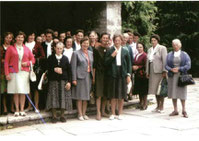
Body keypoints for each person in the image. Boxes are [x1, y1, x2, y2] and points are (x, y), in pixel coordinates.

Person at [4, 31, 35, 116]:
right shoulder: (10, 48)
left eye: (21, 37)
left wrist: (28, 63)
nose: (20, 39)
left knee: (23, 91)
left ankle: (22, 109)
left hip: (24, 73)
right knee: (16, 91)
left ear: (24, 38)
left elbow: (33, 60)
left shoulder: (27, 48)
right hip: (14, 72)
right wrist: (7, 73)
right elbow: (6, 62)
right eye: (18, 37)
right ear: (15, 38)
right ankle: (17, 110)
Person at [105, 34, 131, 120]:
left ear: (121, 41)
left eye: (119, 40)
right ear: (113, 41)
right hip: (112, 74)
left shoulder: (125, 51)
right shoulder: (110, 50)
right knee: (113, 95)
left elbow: (129, 64)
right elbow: (106, 63)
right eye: (115, 40)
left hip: (122, 74)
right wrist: (112, 56)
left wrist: (128, 75)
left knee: (121, 95)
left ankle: (120, 113)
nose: (117, 42)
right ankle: (112, 113)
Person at [46, 42, 72, 123]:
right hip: (53, 81)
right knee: (53, 98)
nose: (59, 50)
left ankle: (62, 116)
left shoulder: (65, 58)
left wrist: (69, 82)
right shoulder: (50, 58)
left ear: (63, 49)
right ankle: (54, 116)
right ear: (55, 48)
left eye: (61, 48)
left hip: (63, 81)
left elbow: (69, 71)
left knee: (63, 98)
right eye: (57, 48)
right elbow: (47, 69)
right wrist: (53, 69)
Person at [165, 39, 191, 118]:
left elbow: (188, 65)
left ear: (180, 45)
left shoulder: (184, 54)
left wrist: (179, 69)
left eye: (176, 45)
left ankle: (184, 110)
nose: (175, 46)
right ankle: (175, 110)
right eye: (173, 45)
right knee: (173, 93)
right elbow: (166, 65)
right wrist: (171, 69)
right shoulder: (169, 54)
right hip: (172, 76)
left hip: (181, 76)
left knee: (182, 93)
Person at [71, 37, 93, 121]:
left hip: (88, 76)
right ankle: (79, 114)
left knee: (86, 97)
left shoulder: (90, 53)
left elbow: (92, 65)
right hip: (79, 77)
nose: (85, 45)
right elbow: (73, 67)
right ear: (81, 43)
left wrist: (93, 77)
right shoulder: (76, 53)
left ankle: (84, 113)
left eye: (87, 43)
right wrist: (74, 79)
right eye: (84, 43)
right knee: (79, 96)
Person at [146, 34, 167, 113]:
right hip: (152, 71)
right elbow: (148, 62)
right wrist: (147, 72)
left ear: (157, 41)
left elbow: (165, 60)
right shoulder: (149, 50)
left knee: (160, 89)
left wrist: (164, 71)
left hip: (159, 72)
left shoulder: (162, 48)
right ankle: (157, 105)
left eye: (154, 40)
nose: (153, 42)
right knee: (155, 90)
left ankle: (162, 106)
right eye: (152, 40)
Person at [25, 31, 45, 112]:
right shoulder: (24, 44)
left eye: (33, 35)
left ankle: (36, 106)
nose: (32, 37)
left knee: (36, 88)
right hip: (25, 69)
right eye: (30, 35)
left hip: (35, 69)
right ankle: (29, 106)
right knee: (28, 88)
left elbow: (43, 56)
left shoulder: (38, 45)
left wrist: (34, 60)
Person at [93, 32, 111, 120]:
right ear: (101, 39)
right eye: (104, 38)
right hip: (99, 74)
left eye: (107, 38)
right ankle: (98, 112)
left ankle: (103, 111)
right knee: (99, 94)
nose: (105, 40)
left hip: (107, 74)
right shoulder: (96, 49)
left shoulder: (109, 49)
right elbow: (94, 64)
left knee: (105, 94)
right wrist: (93, 76)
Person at [0, 32, 14, 115]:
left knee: (11, 89)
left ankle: (12, 107)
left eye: (10, 38)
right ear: (4, 38)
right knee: (3, 90)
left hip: (12, 70)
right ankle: (4, 107)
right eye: (7, 37)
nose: (8, 39)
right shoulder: (1, 48)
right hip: (2, 71)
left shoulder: (13, 48)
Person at [132, 42, 148, 110]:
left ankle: (145, 104)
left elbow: (145, 65)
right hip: (137, 75)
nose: (139, 48)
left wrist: (138, 67)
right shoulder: (136, 55)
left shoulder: (145, 55)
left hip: (143, 75)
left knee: (144, 90)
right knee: (139, 89)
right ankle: (140, 102)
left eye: (140, 47)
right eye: (138, 47)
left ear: (143, 48)